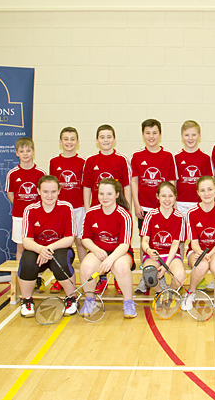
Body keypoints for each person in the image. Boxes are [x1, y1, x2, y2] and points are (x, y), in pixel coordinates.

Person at [17, 175, 78, 318]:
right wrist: (41, 249)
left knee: (60, 261)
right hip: (38, 249)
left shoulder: (66, 207)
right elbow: (27, 241)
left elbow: (69, 239)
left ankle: (71, 298)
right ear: (38, 191)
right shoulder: (30, 209)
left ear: (59, 191)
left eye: (53, 191)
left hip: (60, 248)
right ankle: (26, 300)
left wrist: (48, 249)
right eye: (45, 191)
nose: (49, 195)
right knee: (27, 261)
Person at [82, 124, 132, 295]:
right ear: (97, 140)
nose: (105, 140)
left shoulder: (121, 159)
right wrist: (88, 209)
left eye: (109, 136)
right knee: (99, 245)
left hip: (116, 208)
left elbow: (126, 185)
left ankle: (119, 279)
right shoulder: (90, 160)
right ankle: (101, 280)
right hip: (97, 211)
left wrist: (128, 207)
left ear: (114, 139)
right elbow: (87, 187)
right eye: (102, 137)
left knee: (116, 242)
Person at [131, 119, 177, 294]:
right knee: (146, 242)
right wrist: (136, 203)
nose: (151, 136)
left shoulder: (167, 156)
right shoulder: (137, 157)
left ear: (160, 134)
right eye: (147, 133)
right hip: (145, 207)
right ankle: (146, 276)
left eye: (154, 133)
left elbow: (172, 182)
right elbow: (134, 181)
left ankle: (165, 275)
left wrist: (172, 205)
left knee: (168, 242)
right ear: (143, 135)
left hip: (165, 208)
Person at [79, 178, 137, 318]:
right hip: (98, 250)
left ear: (117, 194)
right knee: (86, 266)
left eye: (109, 194)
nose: (105, 198)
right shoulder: (91, 213)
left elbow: (124, 244)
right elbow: (85, 239)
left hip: (120, 252)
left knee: (121, 267)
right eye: (101, 194)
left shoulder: (124, 215)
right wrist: (97, 250)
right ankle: (89, 301)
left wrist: (111, 259)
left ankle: (128, 302)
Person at [184, 176, 215, 310]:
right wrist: (199, 252)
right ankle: (190, 293)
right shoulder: (191, 213)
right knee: (201, 266)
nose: (206, 194)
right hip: (197, 249)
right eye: (203, 190)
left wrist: (209, 254)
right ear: (198, 192)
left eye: (210, 189)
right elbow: (193, 241)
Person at [5, 137, 47, 291]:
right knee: (21, 247)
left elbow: (45, 194)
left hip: (37, 217)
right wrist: (21, 207)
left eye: (28, 150)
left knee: (37, 247)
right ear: (17, 153)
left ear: (33, 152)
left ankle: (38, 278)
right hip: (19, 217)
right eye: (21, 151)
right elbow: (10, 194)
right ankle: (21, 279)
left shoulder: (40, 172)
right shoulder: (13, 173)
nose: (25, 154)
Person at [49, 126, 86, 294]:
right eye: (66, 139)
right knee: (62, 244)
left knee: (80, 241)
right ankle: (61, 277)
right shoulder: (54, 162)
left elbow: (86, 187)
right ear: (60, 142)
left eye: (72, 139)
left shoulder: (83, 162)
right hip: (61, 210)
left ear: (77, 142)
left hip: (79, 208)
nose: (69, 142)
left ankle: (86, 276)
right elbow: (51, 188)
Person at [140, 182, 186, 296]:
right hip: (155, 255)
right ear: (157, 197)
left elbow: (176, 244)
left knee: (180, 276)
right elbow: (144, 241)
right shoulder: (150, 215)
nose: (167, 199)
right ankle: (160, 293)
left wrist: (166, 265)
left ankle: (170, 292)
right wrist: (149, 250)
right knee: (148, 274)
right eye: (163, 196)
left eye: (170, 196)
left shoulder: (180, 217)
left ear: (175, 197)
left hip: (172, 255)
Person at [174, 120, 213, 215]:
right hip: (180, 204)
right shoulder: (176, 157)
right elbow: (173, 182)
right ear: (182, 136)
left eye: (194, 135)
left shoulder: (205, 157)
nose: (190, 138)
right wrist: (174, 203)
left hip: (200, 203)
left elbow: (210, 182)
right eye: (187, 135)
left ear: (199, 136)